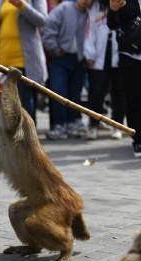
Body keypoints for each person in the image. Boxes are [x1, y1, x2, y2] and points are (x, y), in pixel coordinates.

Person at [0, 0, 48, 124]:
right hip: (3, 57)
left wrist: (22, 5)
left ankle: (27, 135)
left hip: (26, 58)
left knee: (24, 99)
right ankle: (13, 136)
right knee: (7, 100)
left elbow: (42, 21)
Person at [42, 0, 92, 140]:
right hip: (60, 58)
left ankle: (73, 122)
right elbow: (48, 29)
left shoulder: (90, 12)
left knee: (75, 93)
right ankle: (58, 125)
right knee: (58, 91)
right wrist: (54, 48)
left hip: (79, 59)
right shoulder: (63, 8)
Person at [84, 0, 123, 140]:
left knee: (118, 93)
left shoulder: (123, 4)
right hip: (99, 55)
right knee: (96, 91)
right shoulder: (96, 6)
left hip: (120, 53)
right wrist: (89, 53)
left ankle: (117, 125)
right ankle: (93, 125)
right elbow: (90, 30)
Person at [107, 0, 141, 157]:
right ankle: (138, 140)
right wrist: (113, 10)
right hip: (129, 54)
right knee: (133, 98)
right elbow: (112, 24)